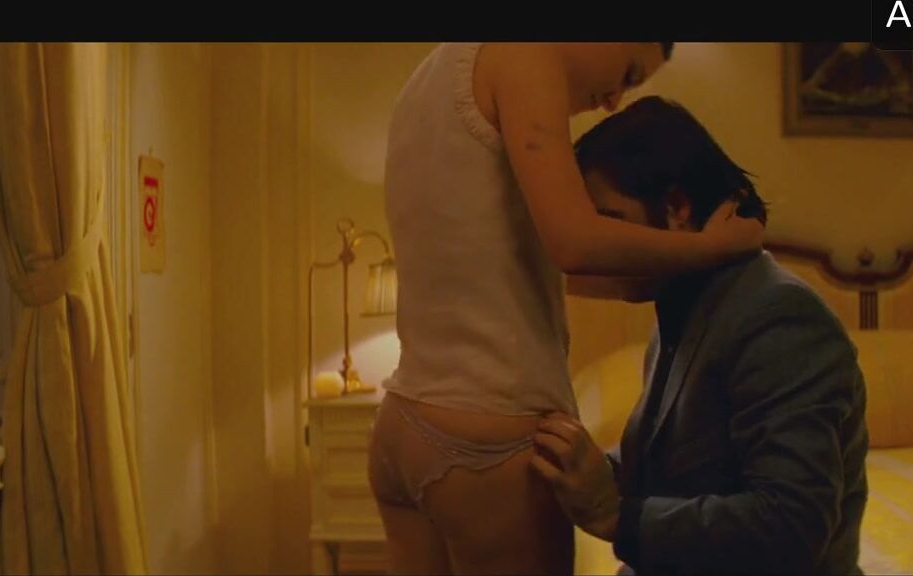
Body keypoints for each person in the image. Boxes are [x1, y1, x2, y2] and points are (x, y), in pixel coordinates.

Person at [368, 44, 767, 575]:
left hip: (402, 427)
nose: (614, 100)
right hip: (488, 436)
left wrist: (660, 276)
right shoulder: (525, 53)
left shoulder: (431, 75)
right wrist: (713, 247)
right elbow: (574, 245)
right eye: (628, 73)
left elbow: (540, 266)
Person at [531, 95, 870, 575]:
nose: (603, 247)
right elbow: (677, 469)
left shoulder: (777, 315)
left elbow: (792, 525)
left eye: (611, 222)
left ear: (676, 207)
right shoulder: (686, 311)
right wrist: (587, 470)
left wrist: (616, 517)